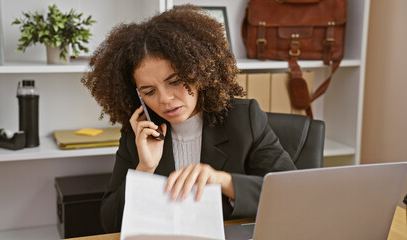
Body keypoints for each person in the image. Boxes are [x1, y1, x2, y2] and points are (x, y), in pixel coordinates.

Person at [81, 5, 296, 233]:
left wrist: (223, 181)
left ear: (198, 72)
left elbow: (293, 195)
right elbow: (110, 224)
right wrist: (144, 169)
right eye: (149, 91)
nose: (165, 99)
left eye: (174, 81)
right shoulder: (139, 133)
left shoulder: (244, 119)